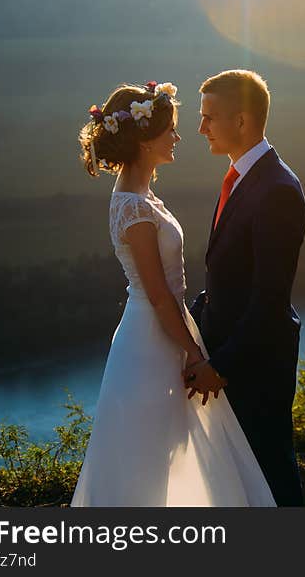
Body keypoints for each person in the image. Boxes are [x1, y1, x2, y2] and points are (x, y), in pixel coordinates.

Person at [70, 80, 275, 506]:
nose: (179, 137)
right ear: (145, 140)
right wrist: (197, 355)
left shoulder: (143, 196)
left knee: (180, 450)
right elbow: (160, 295)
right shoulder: (133, 207)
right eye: (170, 130)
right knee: (149, 458)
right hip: (150, 341)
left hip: (167, 331)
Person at [185, 70, 305, 506]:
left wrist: (220, 365)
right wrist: (186, 328)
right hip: (231, 357)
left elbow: (269, 303)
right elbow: (226, 281)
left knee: (271, 480)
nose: (200, 129)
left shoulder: (277, 191)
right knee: (239, 485)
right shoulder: (241, 179)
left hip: (257, 369)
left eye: (208, 118)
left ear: (241, 121)